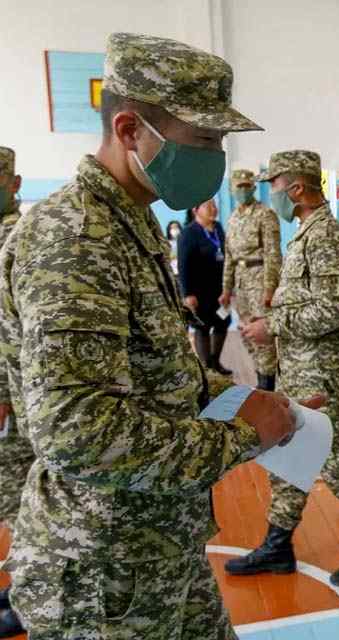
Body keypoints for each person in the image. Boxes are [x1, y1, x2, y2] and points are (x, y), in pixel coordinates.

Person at [0, 32, 301, 639]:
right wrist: (245, 435)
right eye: (203, 140)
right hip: (104, 575)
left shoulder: (126, 222)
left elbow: (160, 374)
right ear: (130, 129)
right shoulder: (76, 239)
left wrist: (248, 401)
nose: (215, 159)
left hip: (155, 547)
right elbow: (78, 431)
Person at [234, 150, 339, 586]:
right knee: (288, 454)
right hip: (299, 369)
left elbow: (330, 311)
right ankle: (278, 545)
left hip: (322, 373)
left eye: (273, 185)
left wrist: (273, 325)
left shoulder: (325, 236)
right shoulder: (305, 232)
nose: (270, 194)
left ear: (296, 188)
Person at [0, 146, 29, 638]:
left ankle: (29, 595)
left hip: (15, 398)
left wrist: (4, 393)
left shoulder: (16, 237)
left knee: (18, 497)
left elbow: (11, 331)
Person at [220, 168, 282, 391]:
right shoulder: (233, 218)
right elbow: (229, 257)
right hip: (241, 284)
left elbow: (273, 254)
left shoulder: (265, 214)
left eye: (248, 186)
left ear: (254, 188)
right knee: (247, 333)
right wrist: (226, 288)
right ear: (232, 189)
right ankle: (260, 378)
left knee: (262, 337)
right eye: (240, 186)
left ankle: (267, 386)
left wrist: (270, 288)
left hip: (259, 280)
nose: (244, 190)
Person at [179, 198, 233, 375]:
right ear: (195, 210)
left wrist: (229, 288)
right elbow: (183, 265)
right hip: (199, 291)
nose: (213, 209)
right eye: (208, 206)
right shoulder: (188, 233)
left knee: (223, 322)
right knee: (203, 327)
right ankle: (207, 369)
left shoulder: (218, 228)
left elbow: (227, 256)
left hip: (220, 290)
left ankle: (215, 362)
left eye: (214, 205)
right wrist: (188, 294)